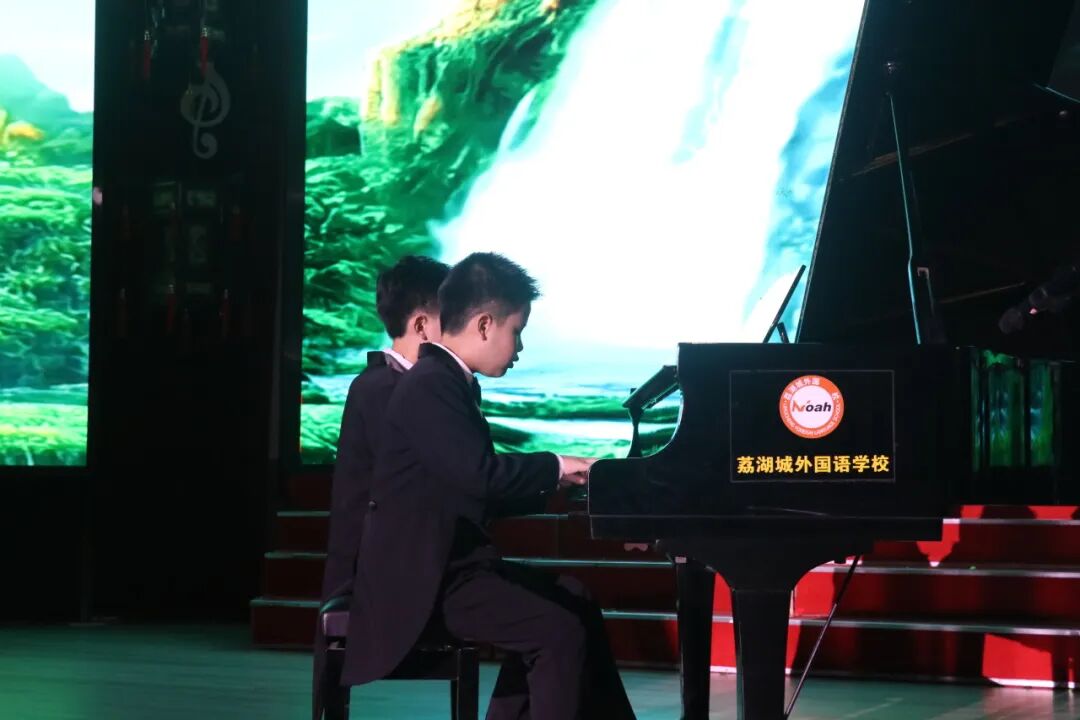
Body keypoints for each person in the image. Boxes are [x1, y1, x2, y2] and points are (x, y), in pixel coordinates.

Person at [344, 252, 636, 720]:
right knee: (557, 631)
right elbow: (480, 476)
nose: (519, 348)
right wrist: (557, 466)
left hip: (453, 567)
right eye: (516, 331)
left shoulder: (447, 381)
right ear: (484, 325)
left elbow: (476, 488)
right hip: (425, 581)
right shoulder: (430, 385)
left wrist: (569, 487)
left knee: (573, 599)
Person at [320, 254, 450, 602]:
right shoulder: (380, 389)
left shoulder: (400, 384)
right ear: (422, 326)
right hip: (376, 579)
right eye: (452, 319)